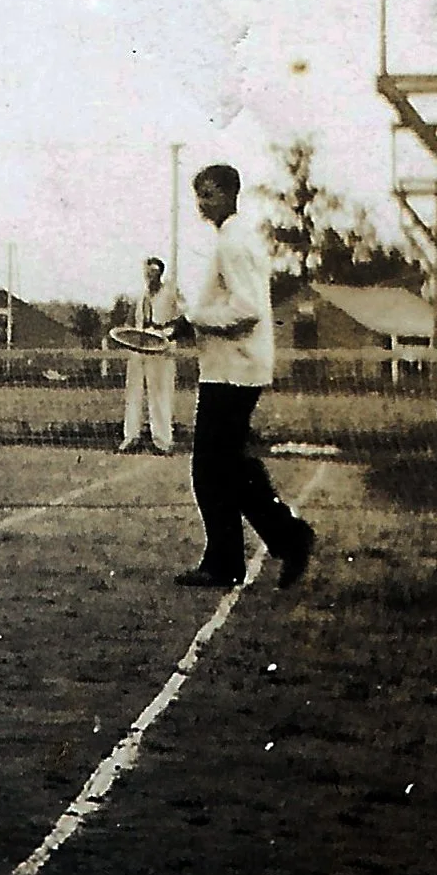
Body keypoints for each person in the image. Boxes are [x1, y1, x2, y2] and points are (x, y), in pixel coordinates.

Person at [172, 163, 316, 589]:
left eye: (211, 193)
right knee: (228, 467)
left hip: (235, 369)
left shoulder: (234, 242)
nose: (203, 202)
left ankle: (246, 553)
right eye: (198, 194)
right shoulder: (233, 238)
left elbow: (247, 309)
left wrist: (194, 319)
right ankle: (274, 542)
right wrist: (190, 324)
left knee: (210, 469)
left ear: (232, 194)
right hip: (232, 366)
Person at [118, 256, 180, 453]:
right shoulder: (140, 296)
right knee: (133, 392)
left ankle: (163, 441)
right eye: (147, 273)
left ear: (160, 273)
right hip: (139, 348)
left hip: (161, 349)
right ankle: (131, 437)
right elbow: (130, 320)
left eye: (154, 273)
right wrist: (126, 334)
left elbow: (184, 319)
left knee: (160, 394)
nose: (150, 276)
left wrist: (167, 333)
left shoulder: (171, 293)